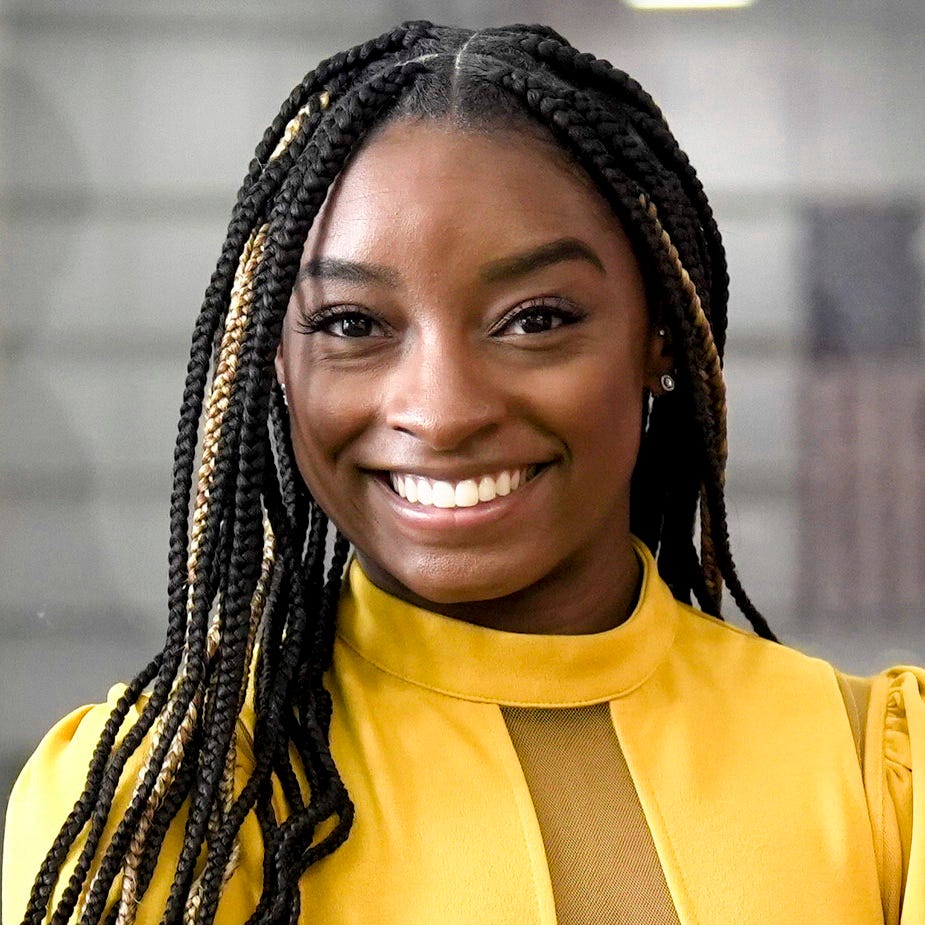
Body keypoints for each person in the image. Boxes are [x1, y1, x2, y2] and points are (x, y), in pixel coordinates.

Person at [3, 20, 923, 925]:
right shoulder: (162, 810)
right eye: (352, 324)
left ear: (657, 340)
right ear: (274, 362)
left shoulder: (873, 775)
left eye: (535, 318)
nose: (442, 413)